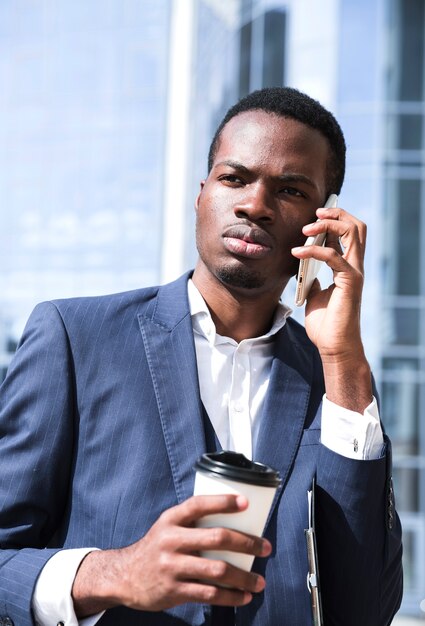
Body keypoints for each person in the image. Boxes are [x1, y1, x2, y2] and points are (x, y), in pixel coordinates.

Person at [0, 87, 402, 626]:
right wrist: (112, 573)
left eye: (289, 189)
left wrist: (344, 358)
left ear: (323, 223)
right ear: (201, 196)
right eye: (234, 178)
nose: (254, 205)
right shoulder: (75, 338)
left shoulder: (336, 383)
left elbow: (364, 608)